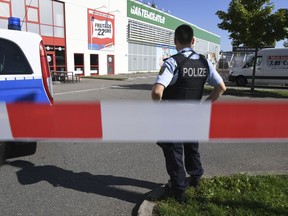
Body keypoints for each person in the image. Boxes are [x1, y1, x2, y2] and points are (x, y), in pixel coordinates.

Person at [151, 24, 226, 203]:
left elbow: (156, 92)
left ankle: (178, 191)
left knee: (174, 152)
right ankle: (196, 177)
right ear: (193, 41)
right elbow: (221, 88)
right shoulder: (204, 62)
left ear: (175, 41)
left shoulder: (172, 62)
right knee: (192, 148)